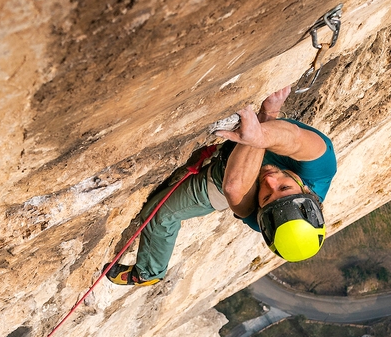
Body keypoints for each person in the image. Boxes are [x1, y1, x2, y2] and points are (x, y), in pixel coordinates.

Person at [106, 86, 337, 286]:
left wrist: (265, 118)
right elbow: (295, 138)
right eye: (285, 188)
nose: (269, 181)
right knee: (260, 144)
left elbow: (234, 188)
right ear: (306, 191)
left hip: (223, 178)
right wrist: (265, 121)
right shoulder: (320, 169)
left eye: (267, 197)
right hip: (252, 149)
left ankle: (148, 273)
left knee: (159, 215)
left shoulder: (270, 221)